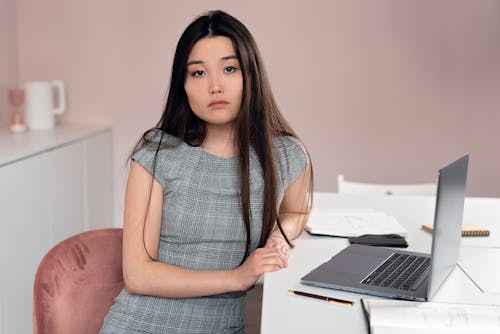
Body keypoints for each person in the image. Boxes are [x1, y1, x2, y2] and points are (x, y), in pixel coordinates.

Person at [100, 9, 313, 334]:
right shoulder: (157, 154)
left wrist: (280, 234)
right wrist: (238, 276)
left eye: (229, 69)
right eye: (198, 73)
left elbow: (297, 210)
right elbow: (138, 274)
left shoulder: (285, 155)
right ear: (182, 85)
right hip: (138, 323)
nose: (215, 85)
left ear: (251, 75)